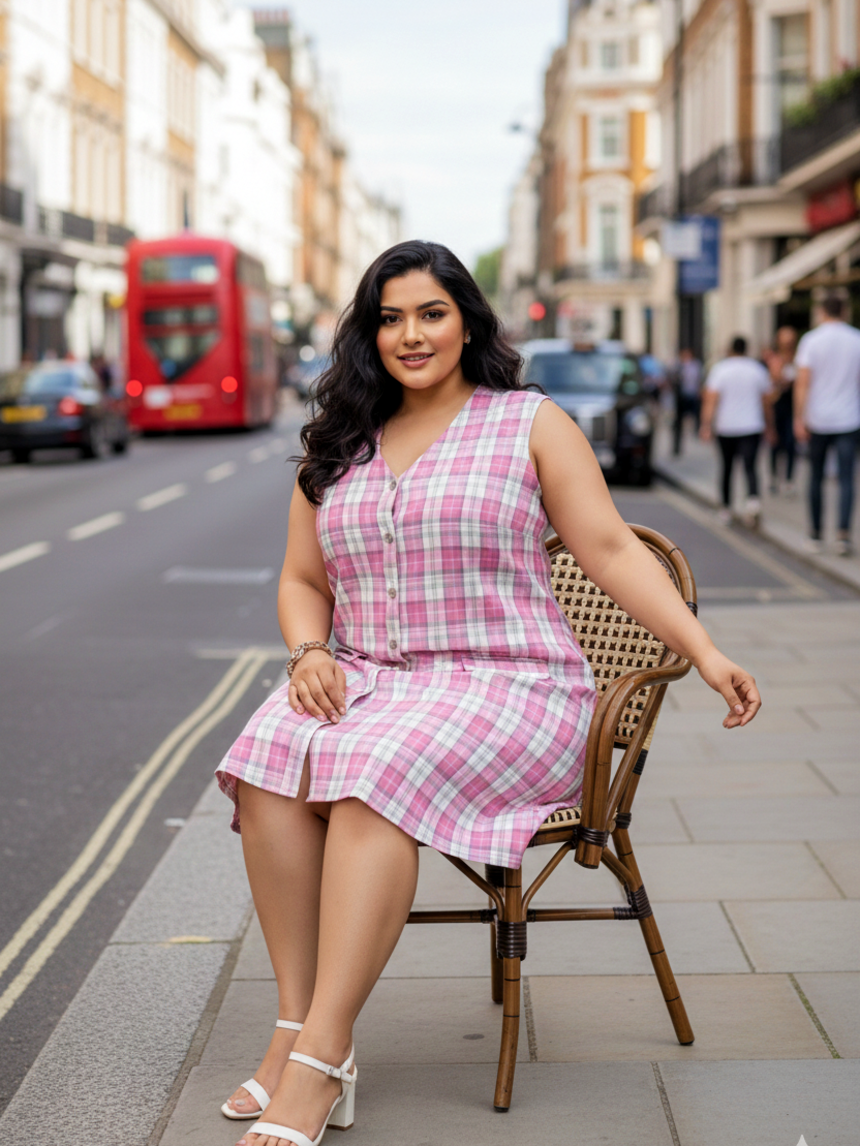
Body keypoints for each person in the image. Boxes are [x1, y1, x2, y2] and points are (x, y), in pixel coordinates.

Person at [215, 241, 762, 1146]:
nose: (411, 334)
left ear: (467, 322)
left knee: (371, 776)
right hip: (374, 680)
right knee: (269, 756)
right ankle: (296, 1023)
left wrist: (703, 651)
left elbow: (610, 548)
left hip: (512, 685)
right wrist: (308, 650)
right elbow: (302, 579)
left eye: (431, 313)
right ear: (368, 334)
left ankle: (320, 1059)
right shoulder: (339, 442)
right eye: (390, 318)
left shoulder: (528, 422)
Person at [793, 295, 860, 557]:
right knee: (846, 479)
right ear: (844, 311)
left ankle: (815, 534)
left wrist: (799, 417)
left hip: (818, 418)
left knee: (816, 477)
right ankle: (843, 535)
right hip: (849, 418)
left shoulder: (811, 340)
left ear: (822, 312)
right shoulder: (856, 339)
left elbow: (803, 382)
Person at [699, 335, 774, 528]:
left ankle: (726, 507)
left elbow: (711, 400)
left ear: (730, 349)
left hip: (726, 427)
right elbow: (766, 402)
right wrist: (770, 426)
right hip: (752, 426)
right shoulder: (757, 370)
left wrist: (706, 425)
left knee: (727, 468)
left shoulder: (720, 369)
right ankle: (753, 502)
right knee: (750, 466)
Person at [766, 327, 798, 496]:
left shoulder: (799, 359)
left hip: (793, 405)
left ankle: (789, 479)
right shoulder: (775, 359)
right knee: (775, 443)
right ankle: (774, 476)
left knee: (791, 443)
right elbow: (773, 380)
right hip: (778, 404)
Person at [672, 347, 703, 455]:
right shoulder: (678, 366)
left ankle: (697, 431)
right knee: (679, 421)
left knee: (696, 415)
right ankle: (676, 446)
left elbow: (699, 379)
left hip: (693, 394)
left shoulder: (696, 365)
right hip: (682, 396)